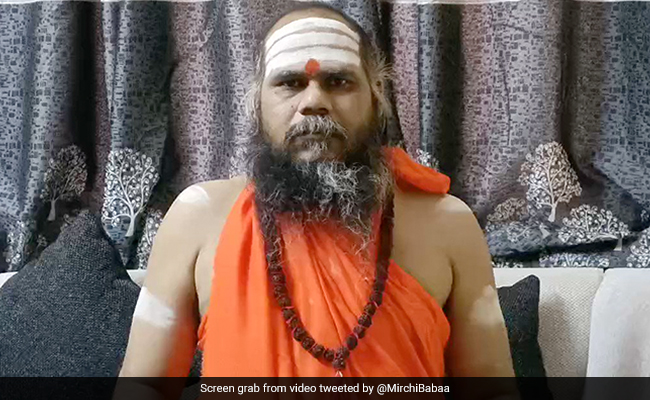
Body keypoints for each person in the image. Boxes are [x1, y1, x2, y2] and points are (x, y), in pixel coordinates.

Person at [117, 2, 515, 397]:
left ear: (376, 98)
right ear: (256, 103)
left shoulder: (448, 224)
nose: (313, 102)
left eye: (338, 81)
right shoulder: (197, 218)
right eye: (289, 83)